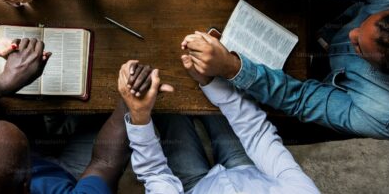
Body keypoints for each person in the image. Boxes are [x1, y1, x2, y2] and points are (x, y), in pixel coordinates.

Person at [182, 0, 389, 139]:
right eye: (364, 23)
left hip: (333, 94)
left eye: (359, 47)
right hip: (327, 14)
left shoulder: (386, 113)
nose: (352, 34)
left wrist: (232, 68)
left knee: (275, 127)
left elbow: (301, 100)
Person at [0, 38, 130, 194]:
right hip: (71, 175)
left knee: (15, 103)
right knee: (115, 117)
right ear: (27, 184)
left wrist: (4, 83)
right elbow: (104, 163)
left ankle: (57, 124)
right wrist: (130, 101)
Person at [119, 60, 320, 193]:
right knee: (208, 76)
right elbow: (258, 135)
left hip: (193, 186)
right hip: (247, 168)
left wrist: (139, 115)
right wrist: (209, 81)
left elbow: (155, 174)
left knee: (166, 101)